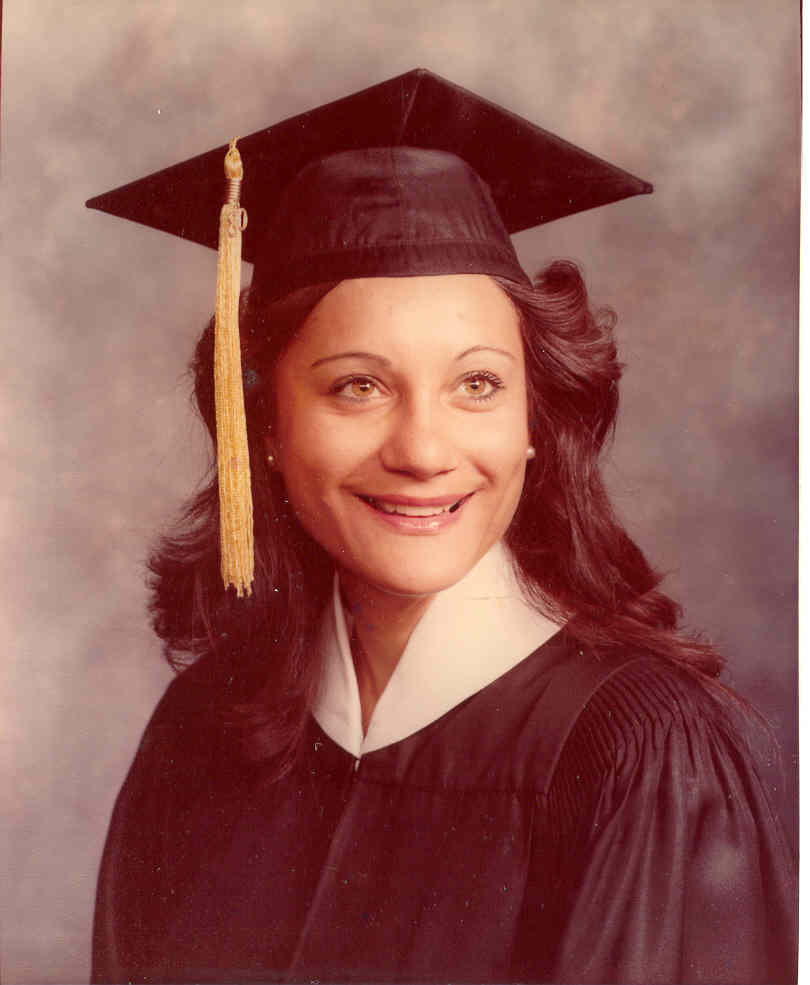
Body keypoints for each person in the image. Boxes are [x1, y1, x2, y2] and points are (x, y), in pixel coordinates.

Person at [88, 70, 797, 984]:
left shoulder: (639, 752)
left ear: (535, 422)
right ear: (262, 424)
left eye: (477, 385)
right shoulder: (205, 727)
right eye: (359, 385)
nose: (424, 450)